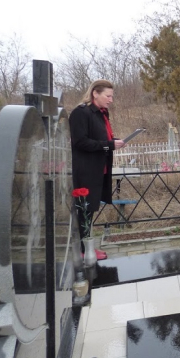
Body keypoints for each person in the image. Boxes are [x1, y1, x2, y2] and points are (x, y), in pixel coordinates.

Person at [70, 79, 126, 260]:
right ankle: (83, 251)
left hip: (99, 168)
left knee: (90, 210)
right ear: (95, 93)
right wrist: (108, 145)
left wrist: (114, 142)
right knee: (84, 211)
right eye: (108, 96)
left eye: (112, 96)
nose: (111, 100)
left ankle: (88, 248)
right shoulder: (80, 113)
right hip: (85, 170)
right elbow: (80, 142)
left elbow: (100, 138)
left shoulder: (101, 113)